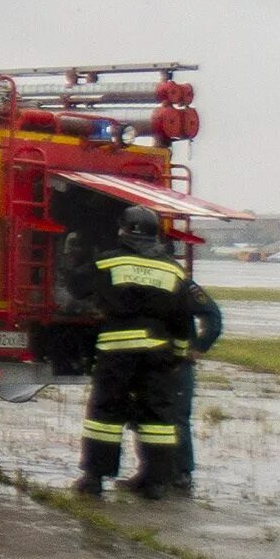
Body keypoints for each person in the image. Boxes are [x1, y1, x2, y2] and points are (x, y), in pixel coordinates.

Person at [66, 202, 202, 499]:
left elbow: (77, 286)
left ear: (124, 231)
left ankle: (93, 478)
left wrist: (74, 255)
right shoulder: (173, 270)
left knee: (105, 414)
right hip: (159, 353)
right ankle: (155, 482)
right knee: (158, 418)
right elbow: (182, 320)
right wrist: (178, 354)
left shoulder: (109, 262)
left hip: (118, 350)